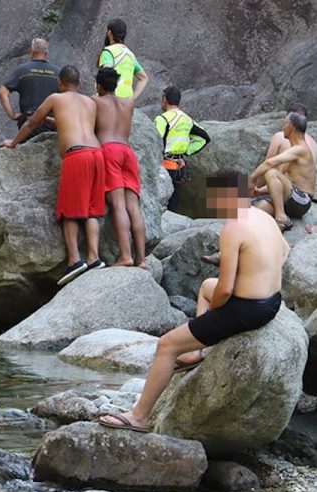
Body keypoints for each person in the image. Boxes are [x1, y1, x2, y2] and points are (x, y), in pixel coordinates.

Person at [99, 173, 288, 432]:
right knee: (205, 287)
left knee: (166, 345)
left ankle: (139, 416)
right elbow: (285, 250)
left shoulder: (233, 228)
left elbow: (224, 290)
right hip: (271, 302)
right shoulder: (264, 217)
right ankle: (193, 352)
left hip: (247, 310)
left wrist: (217, 314)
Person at [0, 65, 105, 286]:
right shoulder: (90, 102)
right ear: (78, 83)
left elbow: (31, 122)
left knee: (69, 211)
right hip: (97, 155)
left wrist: (13, 142)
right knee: (92, 209)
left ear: (60, 82)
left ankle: (75, 260)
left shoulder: (55, 98)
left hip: (76, 156)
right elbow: (75, 123)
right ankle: (94, 258)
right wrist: (53, 121)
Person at [92, 67, 147, 267]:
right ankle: (141, 259)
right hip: (127, 152)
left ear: (99, 85)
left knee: (118, 205)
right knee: (133, 206)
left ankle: (125, 255)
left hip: (109, 151)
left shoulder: (95, 102)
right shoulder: (129, 103)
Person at [249, 112, 315, 231]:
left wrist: (252, 179)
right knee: (255, 211)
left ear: (290, 126)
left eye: (284, 124)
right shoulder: (293, 151)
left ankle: (281, 217)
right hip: (290, 201)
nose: (282, 127)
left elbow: (269, 163)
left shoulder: (301, 149)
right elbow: (284, 182)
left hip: (302, 200)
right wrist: (259, 191)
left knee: (271, 172)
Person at [154, 86, 210, 212]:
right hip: (179, 167)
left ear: (164, 99)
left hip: (164, 167)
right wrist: (186, 151)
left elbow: (155, 142)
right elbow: (204, 138)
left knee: (160, 203)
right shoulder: (187, 119)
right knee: (174, 202)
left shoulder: (162, 119)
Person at [0, 38, 60, 141]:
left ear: (31, 52)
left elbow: (2, 93)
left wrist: (12, 115)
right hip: (52, 124)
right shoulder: (58, 72)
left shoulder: (22, 70)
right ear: (47, 53)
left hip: (28, 123)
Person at [98, 19, 149, 100]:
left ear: (109, 33)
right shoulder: (130, 54)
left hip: (111, 100)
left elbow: (106, 76)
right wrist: (132, 99)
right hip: (125, 103)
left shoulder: (108, 52)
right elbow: (144, 78)